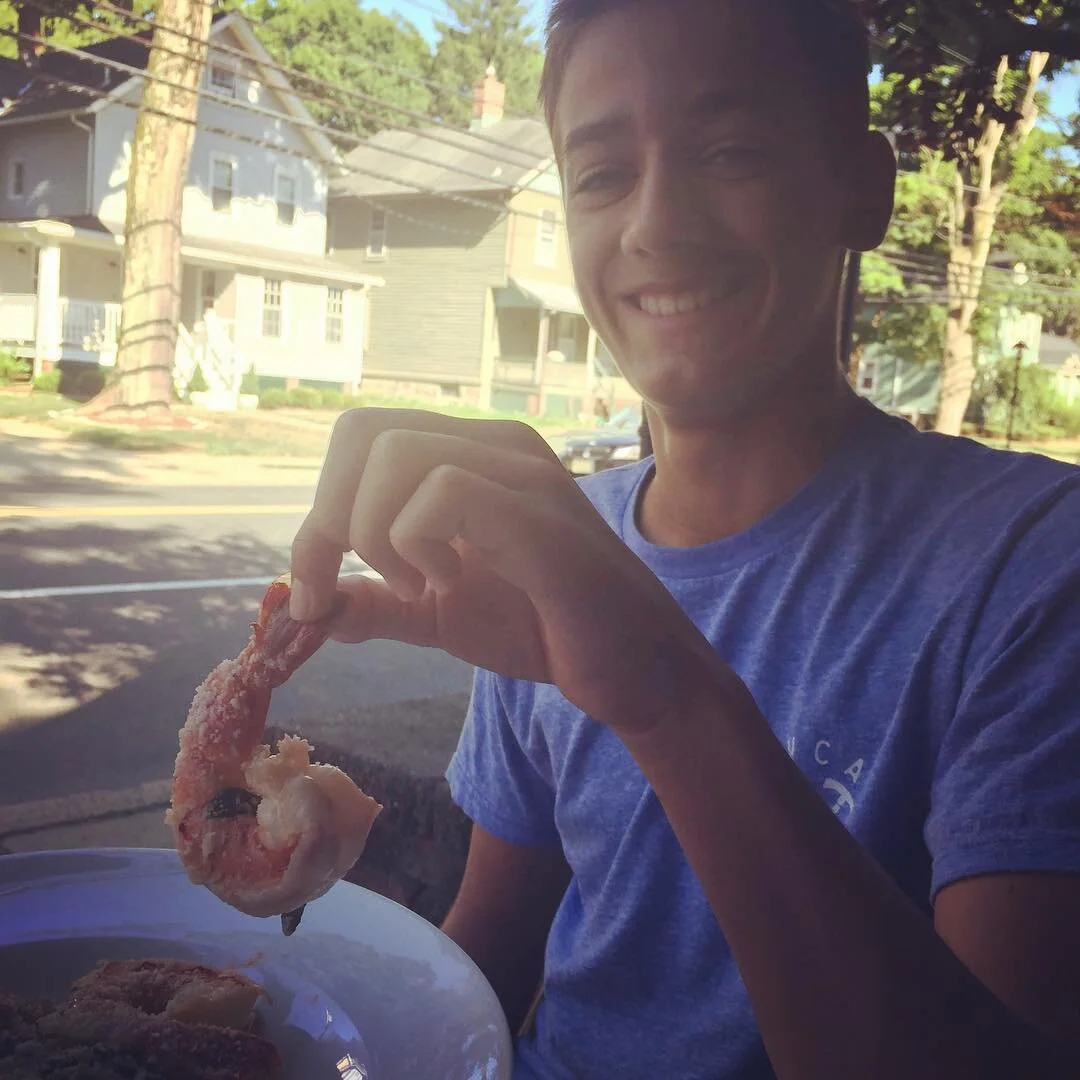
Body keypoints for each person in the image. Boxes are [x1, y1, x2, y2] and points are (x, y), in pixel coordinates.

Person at [288, 1, 1080, 1076]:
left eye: (733, 150)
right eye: (603, 175)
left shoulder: (1034, 562)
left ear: (863, 186)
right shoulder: (548, 546)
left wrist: (663, 684)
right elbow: (487, 958)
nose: (656, 223)